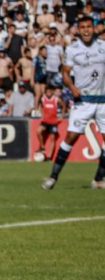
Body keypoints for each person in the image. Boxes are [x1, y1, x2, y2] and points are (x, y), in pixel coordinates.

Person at [43, 16, 105, 189]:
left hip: (103, 101)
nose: (86, 30)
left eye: (89, 27)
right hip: (82, 101)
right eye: (82, 27)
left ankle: (99, 179)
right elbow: (65, 73)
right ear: (78, 30)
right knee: (71, 137)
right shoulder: (72, 49)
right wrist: (71, 86)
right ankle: (53, 177)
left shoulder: (103, 46)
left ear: (94, 29)